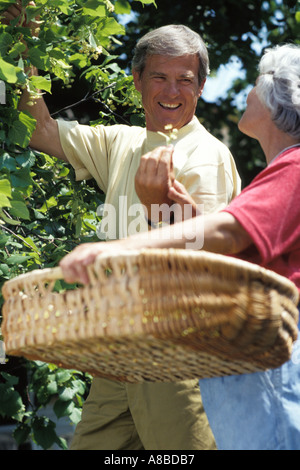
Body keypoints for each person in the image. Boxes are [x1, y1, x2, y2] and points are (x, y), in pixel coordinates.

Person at [2, 3, 242, 450]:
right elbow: (39, 131)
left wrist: (160, 206)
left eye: (185, 80)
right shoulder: (122, 141)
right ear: (136, 81)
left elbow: (207, 258)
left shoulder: (205, 155)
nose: (172, 90)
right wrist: (24, 43)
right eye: (159, 76)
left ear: (202, 87)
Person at [59, 44, 300, 450]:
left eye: (257, 83)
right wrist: (168, 208)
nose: (246, 91)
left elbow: (229, 232)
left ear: (279, 100)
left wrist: (120, 250)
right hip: (249, 365)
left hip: (267, 366)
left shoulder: (294, 168)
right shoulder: (278, 172)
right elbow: (223, 258)